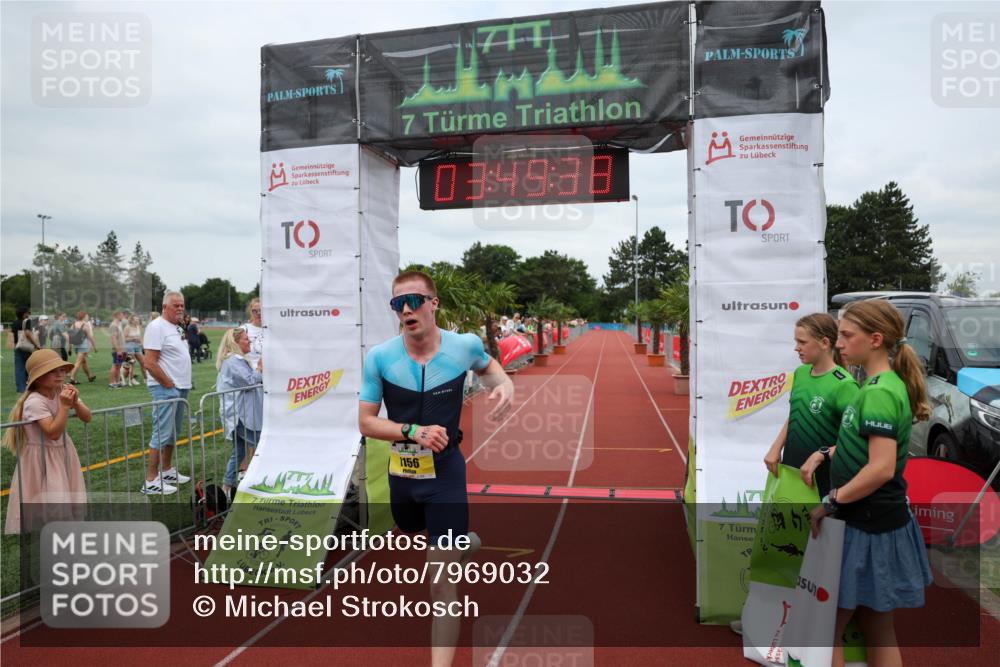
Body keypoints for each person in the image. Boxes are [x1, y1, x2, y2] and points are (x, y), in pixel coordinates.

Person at [358, 270, 514, 667]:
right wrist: (412, 430)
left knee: (439, 577)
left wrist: (505, 386)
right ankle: (467, 542)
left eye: (414, 301)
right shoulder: (380, 357)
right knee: (410, 528)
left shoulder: (463, 346)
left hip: (446, 472)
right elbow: (366, 422)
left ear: (434, 304)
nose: (406, 310)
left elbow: (489, 367)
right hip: (403, 473)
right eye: (398, 303)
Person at [810, 299, 933, 667]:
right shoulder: (883, 384)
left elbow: (880, 468)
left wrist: (830, 502)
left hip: (863, 524)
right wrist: (829, 453)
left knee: (826, 627)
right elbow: (867, 450)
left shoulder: (879, 391)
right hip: (879, 520)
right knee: (879, 627)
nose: (840, 343)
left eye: (847, 335)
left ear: (876, 339)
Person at [765, 313, 860, 497]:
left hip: (824, 479)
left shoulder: (845, 385)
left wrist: (821, 454)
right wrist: (776, 447)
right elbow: (795, 414)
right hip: (791, 470)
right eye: (796, 342)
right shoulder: (801, 373)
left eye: (802, 342)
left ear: (825, 343)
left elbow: (857, 440)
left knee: (818, 525)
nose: (796, 348)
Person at [4, 349, 91, 534]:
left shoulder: (62, 390)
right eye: (53, 371)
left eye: (61, 369)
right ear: (38, 377)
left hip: (62, 452)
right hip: (41, 457)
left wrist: (76, 402)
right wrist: (65, 407)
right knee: (50, 496)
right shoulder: (34, 401)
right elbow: (52, 432)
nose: (60, 374)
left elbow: (87, 417)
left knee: (64, 493)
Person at [141, 292, 193, 495]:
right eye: (175, 305)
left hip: (180, 387)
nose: (180, 308)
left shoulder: (177, 327)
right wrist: (168, 384)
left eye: (182, 305)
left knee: (173, 431)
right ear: (165, 307)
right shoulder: (156, 327)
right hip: (166, 388)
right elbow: (150, 362)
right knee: (161, 432)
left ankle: (167, 469)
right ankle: (151, 479)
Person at [215, 328, 263, 498]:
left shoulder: (236, 360)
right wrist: (259, 369)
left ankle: (226, 488)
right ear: (236, 343)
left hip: (239, 413)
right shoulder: (233, 361)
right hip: (240, 415)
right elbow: (249, 381)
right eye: (245, 339)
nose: (249, 341)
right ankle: (262, 483)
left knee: (239, 452)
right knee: (262, 447)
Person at [8, 307, 40, 393]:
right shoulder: (27, 321)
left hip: (18, 347)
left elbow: (12, 335)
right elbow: (27, 333)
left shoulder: (14, 323)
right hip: (27, 348)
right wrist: (36, 345)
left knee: (19, 369)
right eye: (28, 312)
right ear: (24, 314)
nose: (29, 314)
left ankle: (20, 389)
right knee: (30, 367)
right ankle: (30, 386)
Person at [68, 311, 97, 385]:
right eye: (87, 316)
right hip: (83, 345)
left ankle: (89, 376)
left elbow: (70, 336)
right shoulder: (85, 324)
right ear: (83, 317)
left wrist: (70, 347)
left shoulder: (74, 324)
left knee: (83, 362)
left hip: (76, 345)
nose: (88, 317)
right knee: (78, 362)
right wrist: (94, 346)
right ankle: (72, 378)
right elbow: (90, 336)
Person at [123, 313, 145, 386]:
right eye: (135, 320)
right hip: (129, 346)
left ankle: (146, 378)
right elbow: (124, 339)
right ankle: (131, 379)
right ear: (131, 320)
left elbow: (140, 337)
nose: (137, 321)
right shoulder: (127, 327)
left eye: (138, 320)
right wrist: (133, 338)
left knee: (143, 362)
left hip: (137, 346)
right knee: (132, 363)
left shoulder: (138, 327)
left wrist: (142, 344)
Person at [241, 298, 263, 369]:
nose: (258, 313)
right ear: (251, 312)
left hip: (271, 375)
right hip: (250, 375)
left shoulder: (272, 330)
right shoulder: (243, 329)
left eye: (261, 310)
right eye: (255, 311)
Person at [108, 310, 127, 388]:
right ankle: (112, 383)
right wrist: (118, 349)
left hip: (121, 349)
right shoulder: (113, 325)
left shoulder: (118, 324)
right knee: (115, 365)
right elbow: (114, 339)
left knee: (118, 366)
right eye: (122, 315)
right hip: (117, 350)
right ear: (118, 315)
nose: (123, 316)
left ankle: (118, 381)